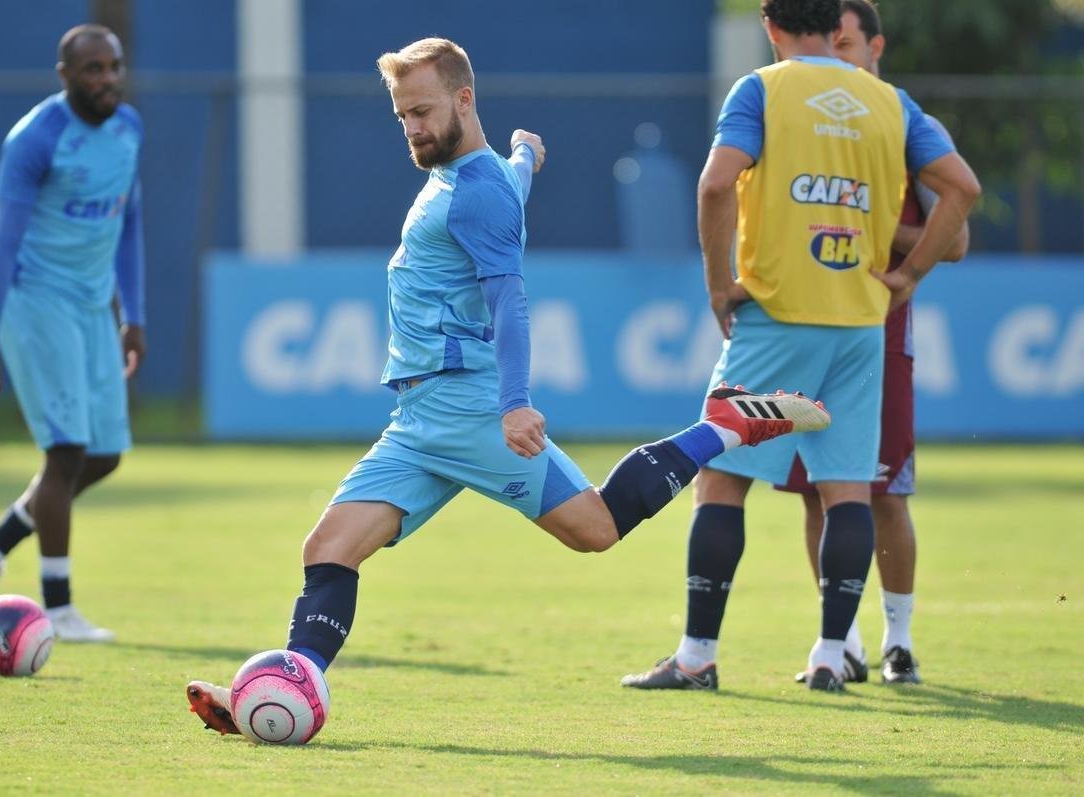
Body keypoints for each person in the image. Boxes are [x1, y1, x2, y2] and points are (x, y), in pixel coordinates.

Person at [185, 37, 830, 733]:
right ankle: (287, 686)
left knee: (597, 528)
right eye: (402, 115)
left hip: (466, 406)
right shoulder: (479, 174)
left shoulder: (479, 189)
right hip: (419, 416)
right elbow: (506, 185)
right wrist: (526, 156)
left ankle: (727, 425)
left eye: (423, 111)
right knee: (328, 547)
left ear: (465, 99)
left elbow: (510, 301)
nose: (412, 128)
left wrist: (515, 402)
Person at [621, 0, 979, 692]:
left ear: (770, 24)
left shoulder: (762, 88)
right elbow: (962, 189)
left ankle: (696, 657)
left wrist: (719, 282)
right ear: (829, 23)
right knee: (847, 488)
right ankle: (828, 653)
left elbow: (717, 181)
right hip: (859, 323)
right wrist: (906, 275)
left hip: (778, 316)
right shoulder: (890, 101)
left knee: (721, 478)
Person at [778, 0, 971, 686]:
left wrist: (878, 235)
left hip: (878, 338)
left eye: (847, 41)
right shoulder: (795, 112)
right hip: (803, 333)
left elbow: (959, 235)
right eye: (828, 40)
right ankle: (845, 637)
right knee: (811, 493)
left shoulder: (898, 114)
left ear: (873, 44)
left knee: (883, 493)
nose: (836, 52)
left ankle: (900, 637)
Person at [0, 24, 146, 643]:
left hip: (92, 309)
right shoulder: (35, 139)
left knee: (105, 454)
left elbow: (130, 225)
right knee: (64, 453)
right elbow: (0, 243)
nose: (106, 80)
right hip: (37, 303)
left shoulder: (128, 129)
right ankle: (56, 608)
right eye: (92, 69)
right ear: (64, 75)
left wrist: (131, 315)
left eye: (112, 67)